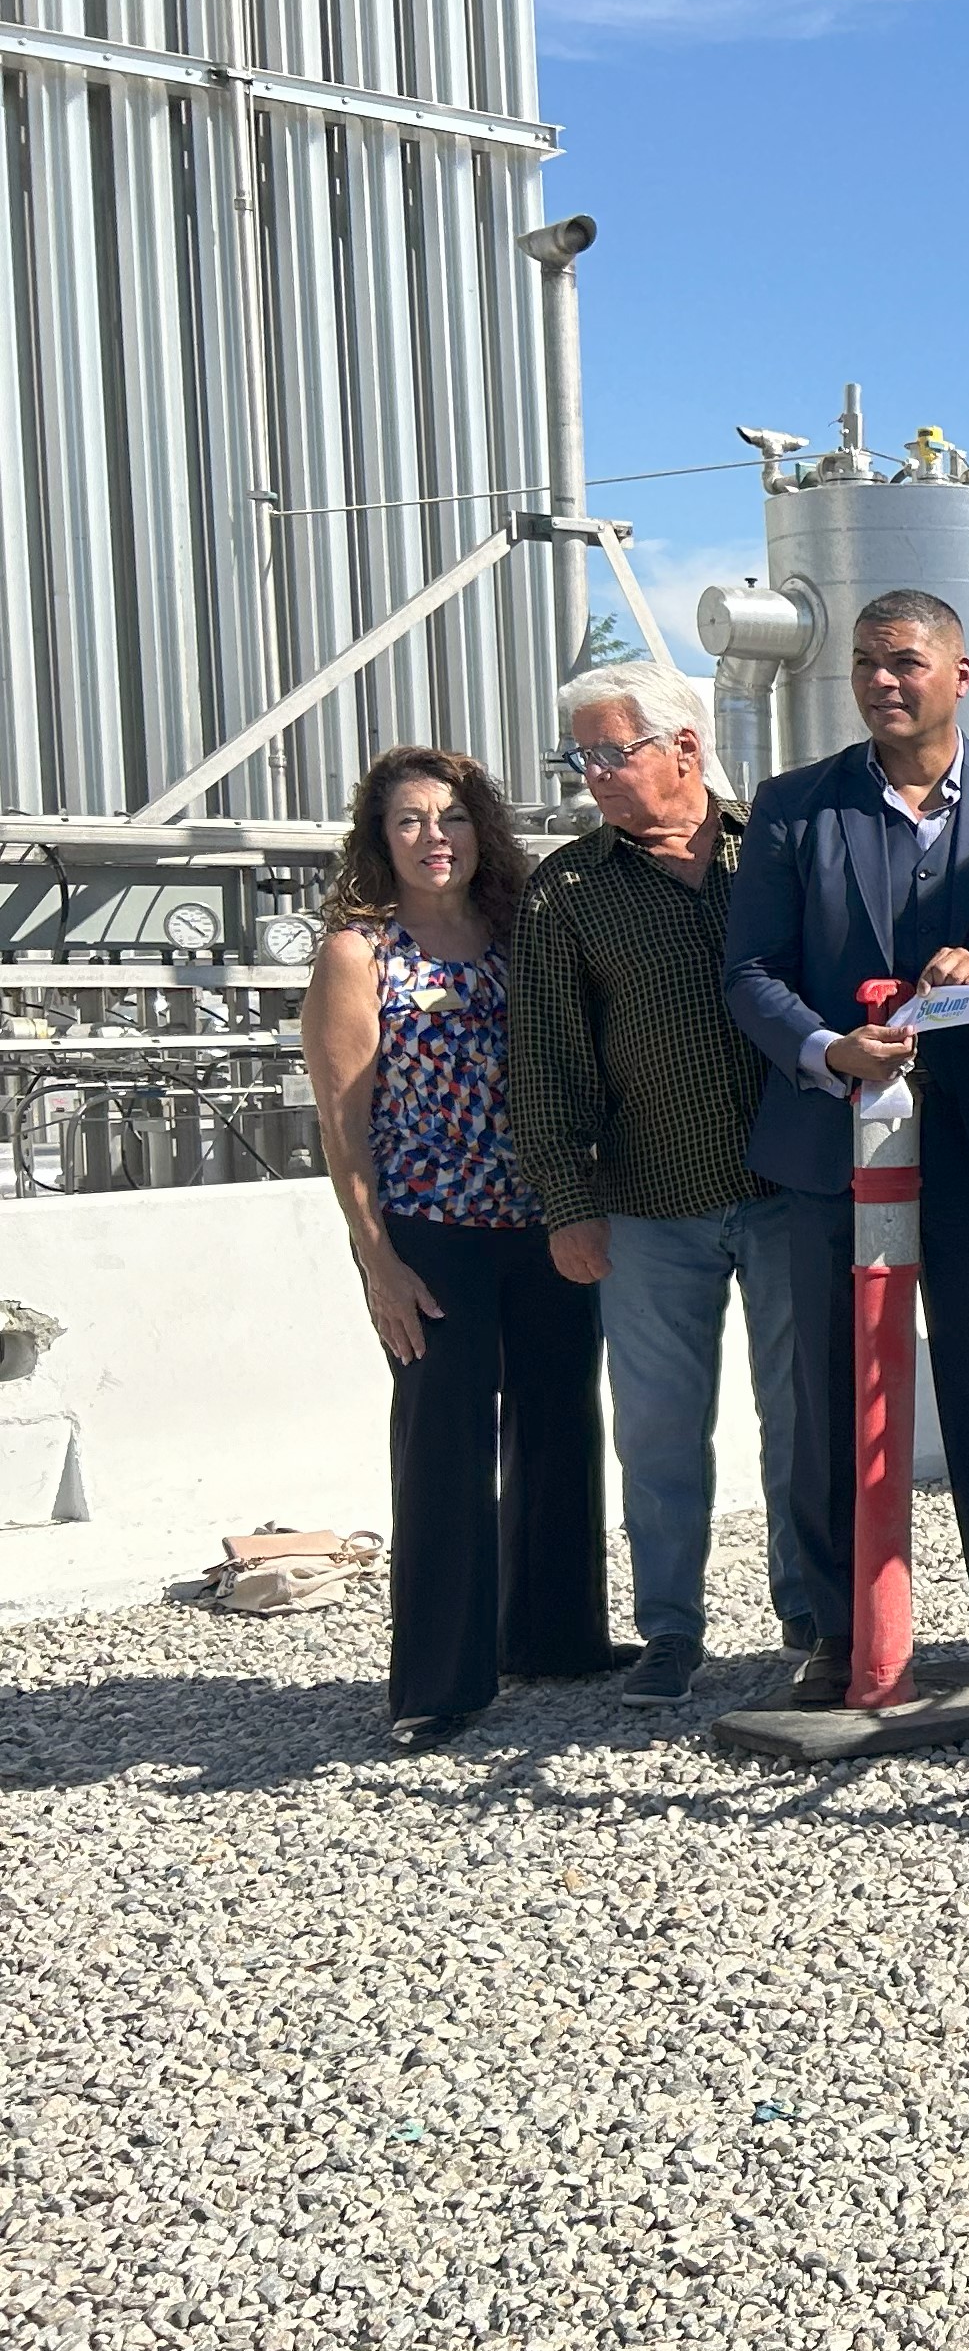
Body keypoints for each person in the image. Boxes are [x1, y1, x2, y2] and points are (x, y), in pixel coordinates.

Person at [722, 588, 969, 1705]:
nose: (886, 682)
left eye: (908, 662)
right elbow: (749, 972)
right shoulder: (793, 812)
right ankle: (841, 1627)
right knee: (834, 1396)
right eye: (868, 665)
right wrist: (827, 1048)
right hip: (831, 1151)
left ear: (961, 674)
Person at [508, 659, 816, 1712]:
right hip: (647, 1203)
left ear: (684, 746)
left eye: (610, 751)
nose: (592, 773)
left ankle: (809, 1615)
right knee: (658, 1430)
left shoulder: (774, 852)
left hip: (788, 1189)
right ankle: (672, 1632)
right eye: (581, 756)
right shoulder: (570, 890)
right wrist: (566, 1204)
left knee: (801, 1414)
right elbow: (543, 1058)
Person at [300, 747, 617, 1748]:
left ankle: (556, 1636)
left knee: (562, 1424)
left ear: (483, 832)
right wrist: (374, 1258)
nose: (433, 838)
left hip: (541, 1219)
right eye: (408, 822)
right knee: (444, 1448)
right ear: (379, 839)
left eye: (452, 819)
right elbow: (343, 1123)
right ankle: (439, 1681)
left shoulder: (518, 932)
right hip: (432, 1234)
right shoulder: (361, 954)